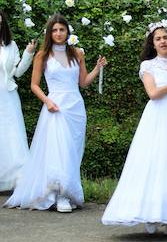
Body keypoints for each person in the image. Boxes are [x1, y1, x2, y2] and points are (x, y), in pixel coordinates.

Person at [102, 23, 167, 236]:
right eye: (158, 38)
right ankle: (150, 214)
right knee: (156, 163)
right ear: (152, 43)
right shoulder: (148, 66)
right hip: (158, 117)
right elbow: (153, 93)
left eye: (166, 37)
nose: (163, 41)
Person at [5, 14, 105, 212]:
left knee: (72, 152)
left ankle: (66, 191)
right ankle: (59, 194)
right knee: (58, 151)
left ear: (67, 32)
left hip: (75, 108)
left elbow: (83, 83)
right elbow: (34, 85)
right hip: (55, 108)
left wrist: (97, 68)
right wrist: (47, 101)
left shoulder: (77, 53)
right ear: (50, 33)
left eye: (62, 29)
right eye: (55, 30)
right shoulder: (42, 55)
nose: (59, 33)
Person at [0, 10, 35, 192]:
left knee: (11, 138)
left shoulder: (10, 45)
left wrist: (28, 53)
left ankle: (16, 180)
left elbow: (18, 72)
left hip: (7, 97)